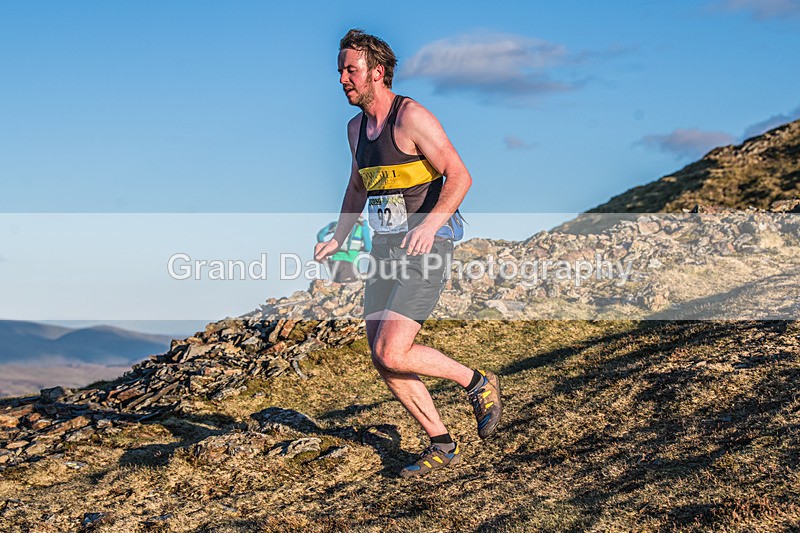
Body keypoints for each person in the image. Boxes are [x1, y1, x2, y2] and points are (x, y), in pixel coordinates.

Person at [314, 29, 503, 478]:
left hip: (427, 245)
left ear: (377, 73)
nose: (342, 78)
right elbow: (358, 185)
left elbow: (460, 176)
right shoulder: (355, 129)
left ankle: (477, 382)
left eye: (350, 70)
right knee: (382, 354)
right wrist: (340, 237)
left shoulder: (412, 117)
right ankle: (441, 441)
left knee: (394, 349)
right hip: (385, 247)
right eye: (340, 70)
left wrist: (432, 224)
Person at [316, 216, 371, 283]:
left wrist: (325, 249)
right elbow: (368, 247)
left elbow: (320, 235)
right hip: (351, 263)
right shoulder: (362, 226)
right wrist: (358, 248)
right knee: (346, 289)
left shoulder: (336, 224)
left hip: (333, 263)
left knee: (335, 286)